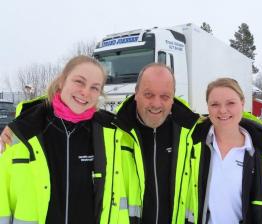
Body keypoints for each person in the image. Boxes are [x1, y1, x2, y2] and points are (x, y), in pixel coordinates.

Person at [0, 55, 126, 223]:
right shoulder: (23, 133)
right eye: (79, 82)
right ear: (62, 81)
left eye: (95, 88)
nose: (85, 92)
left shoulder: (111, 134)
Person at [188, 78, 262, 224]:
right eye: (214, 104)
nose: (223, 110)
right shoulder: (192, 147)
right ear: (208, 107)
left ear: (242, 104)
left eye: (230, 103)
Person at [113, 63, 201, 223]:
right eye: (148, 94)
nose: (156, 104)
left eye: (165, 96)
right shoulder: (112, 133)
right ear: (136, 93)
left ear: (173, 97)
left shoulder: (193, 134)